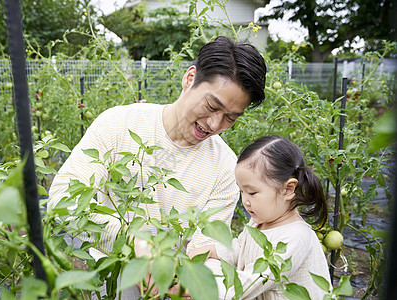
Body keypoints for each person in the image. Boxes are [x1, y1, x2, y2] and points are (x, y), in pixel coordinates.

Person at [47, 36, 266, 297]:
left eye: (230, 117)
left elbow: (206, 246)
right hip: (110, 279)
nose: (215, 124)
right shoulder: (119, 125)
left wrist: (189, 282)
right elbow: (63, 200)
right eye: (211, 106)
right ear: (189, 78)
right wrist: (131, 240)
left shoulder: (226, 167)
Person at [186, 135, 331, 299]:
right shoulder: (261, 221)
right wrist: (213, 250)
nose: (245, 201)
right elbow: (242, 249)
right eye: (241, 191)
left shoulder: (296, 238)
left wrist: (193, 287)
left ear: (288, 189)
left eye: (252, 192)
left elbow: (249, 282)